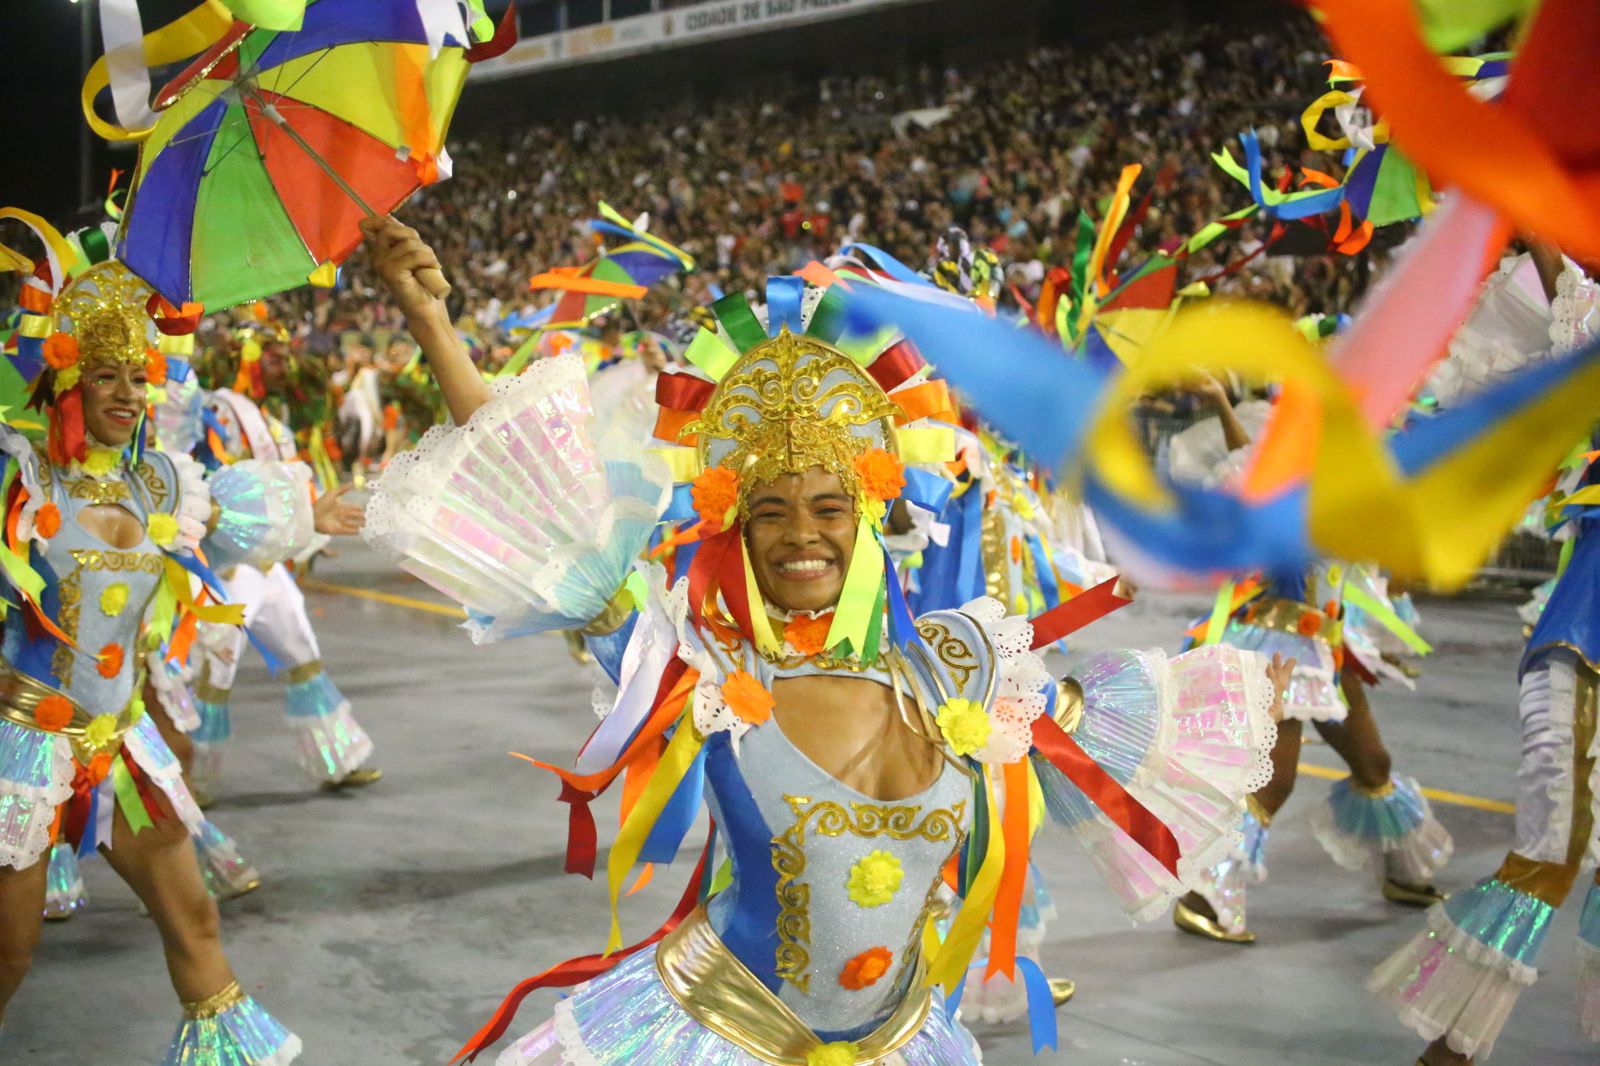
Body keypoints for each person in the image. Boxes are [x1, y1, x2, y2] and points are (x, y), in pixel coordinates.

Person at [360, 215, 1290, 1065]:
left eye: (827, 507)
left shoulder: (966, 666)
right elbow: (540, 498)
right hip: (720, 1032)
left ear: (869, 514)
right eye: (771, 511)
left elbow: (1149, 749)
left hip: (906, 1040)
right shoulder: (698, 668)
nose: (801, 532)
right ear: (736, 529)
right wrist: (435, 322)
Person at [0, 256, 317, 1063]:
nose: (128, 395)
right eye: (105, 376)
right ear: (64, 381)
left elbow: (264, 519)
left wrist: (340, 511)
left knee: (195, 920)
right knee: (9, 954)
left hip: (120, 744)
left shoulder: (160, 487)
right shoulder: (21, 478)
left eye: (137, 378)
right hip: (23, 748)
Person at [1167, 375, 1452, 944]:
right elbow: (1245, 466)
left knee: (1373, 764)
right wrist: (1223, 402)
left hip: (1327, 648)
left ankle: (1403, 871)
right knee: (1274, 781)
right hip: (1280, 645)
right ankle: (1203, 895)